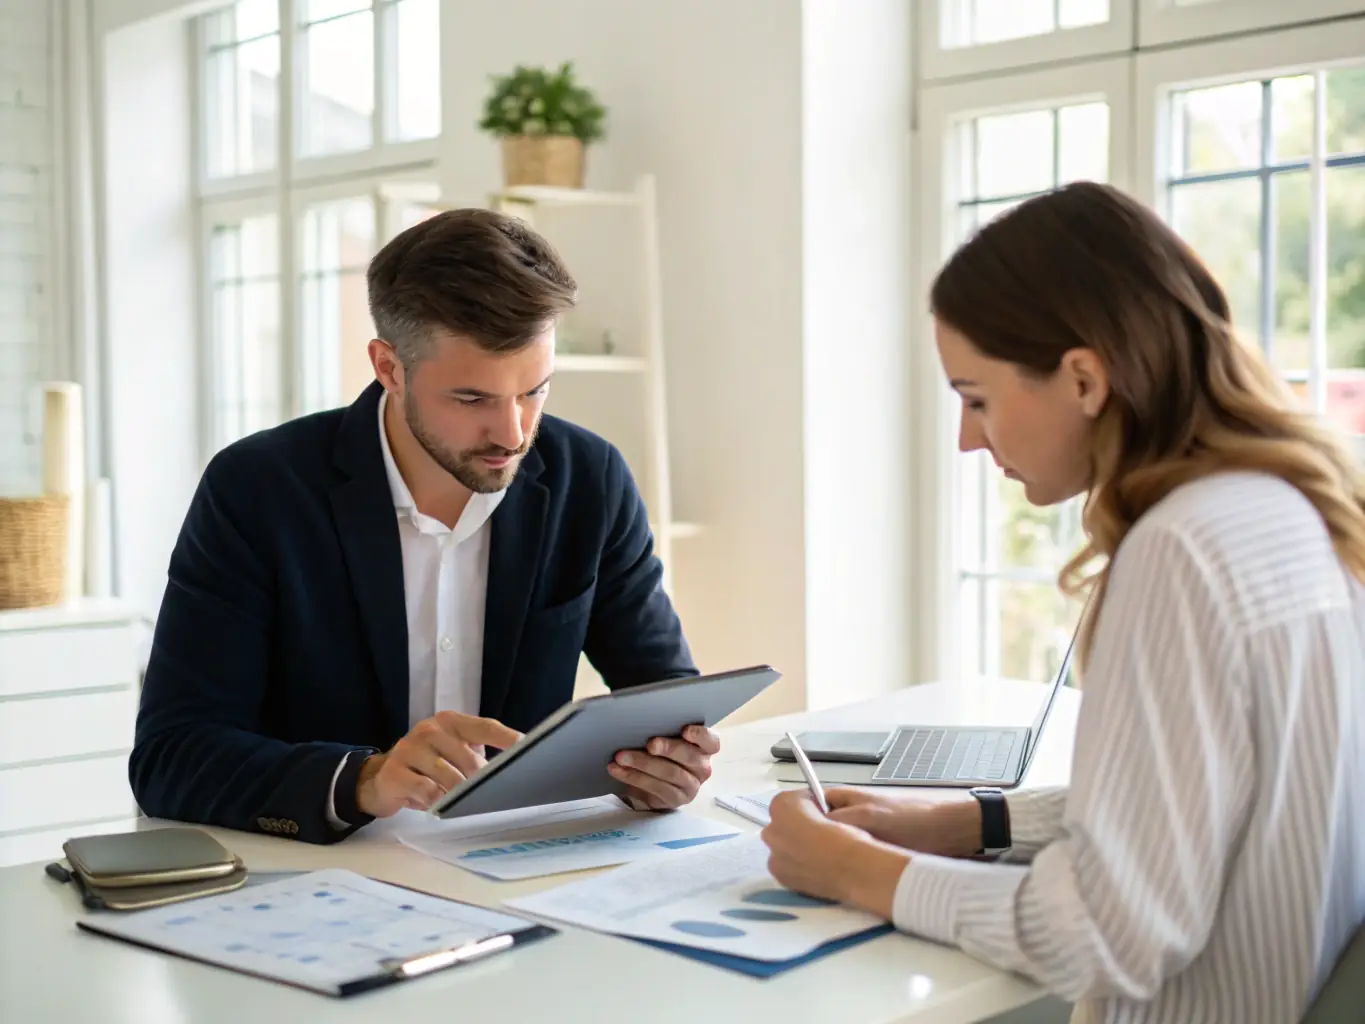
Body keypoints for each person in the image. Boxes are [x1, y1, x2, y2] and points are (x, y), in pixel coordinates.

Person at [758, 181, 1365, 1023]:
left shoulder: (1179, 550)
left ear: (1081, 376)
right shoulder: (1295, 506)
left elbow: (1108, 932)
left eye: (976, 398)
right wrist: (968, 823)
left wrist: (853, 871)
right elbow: (1201, 796)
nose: (969, 437)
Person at [130, 208, 716, 844]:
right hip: (318, 881)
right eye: (473, 399)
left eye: (533, 391)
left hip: (518, 870)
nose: (513, 434)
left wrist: (665, 767)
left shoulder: (590, 479)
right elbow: (171, 757)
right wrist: (364, 780)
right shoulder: (256, 488)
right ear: (388, 367)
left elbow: (664, 696)